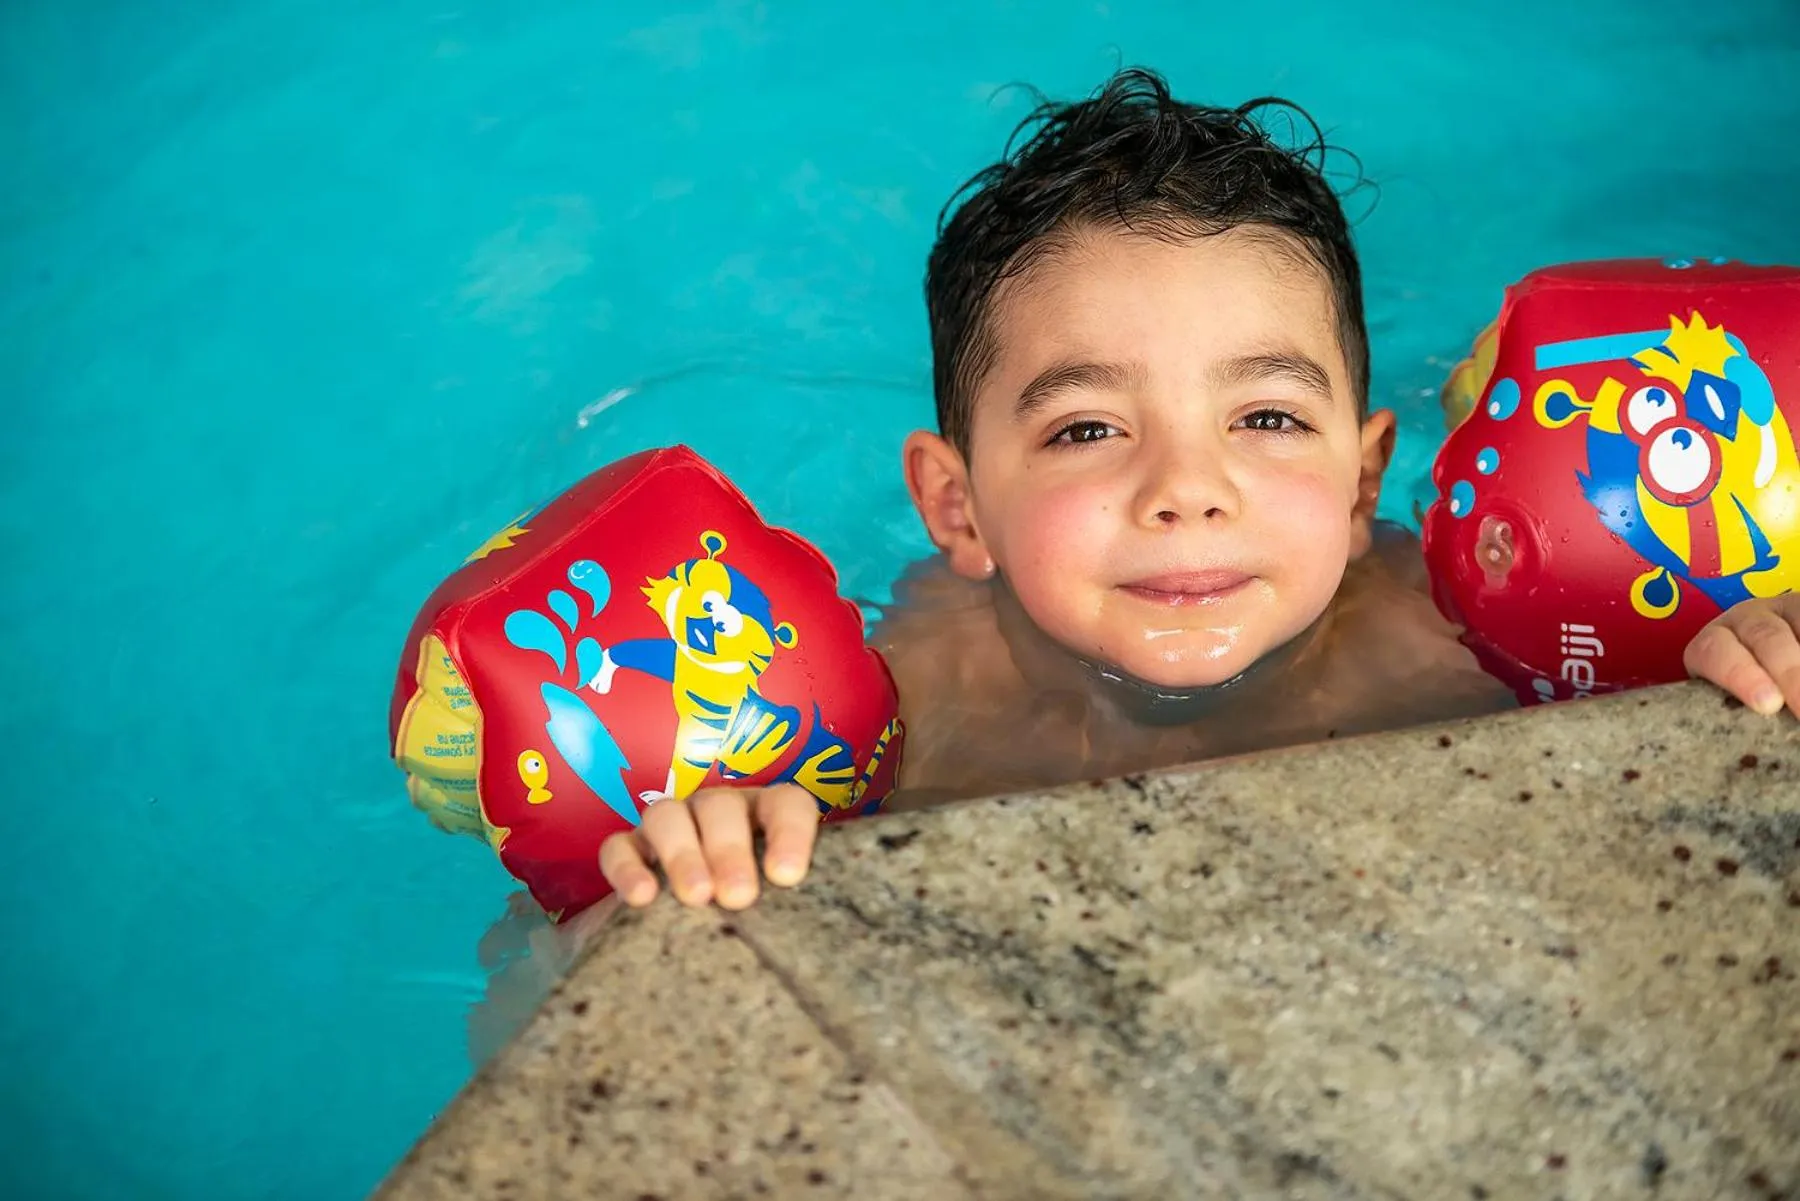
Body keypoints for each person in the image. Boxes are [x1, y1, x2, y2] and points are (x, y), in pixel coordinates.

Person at [596, 67, 1800, 912]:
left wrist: (1736, 656)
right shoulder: (896, 714)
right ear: (957, 507)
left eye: (1268, 418)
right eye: (1086, 428)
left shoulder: (1466, 633)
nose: (1187, 490)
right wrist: (711, 847)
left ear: (1366, 473)